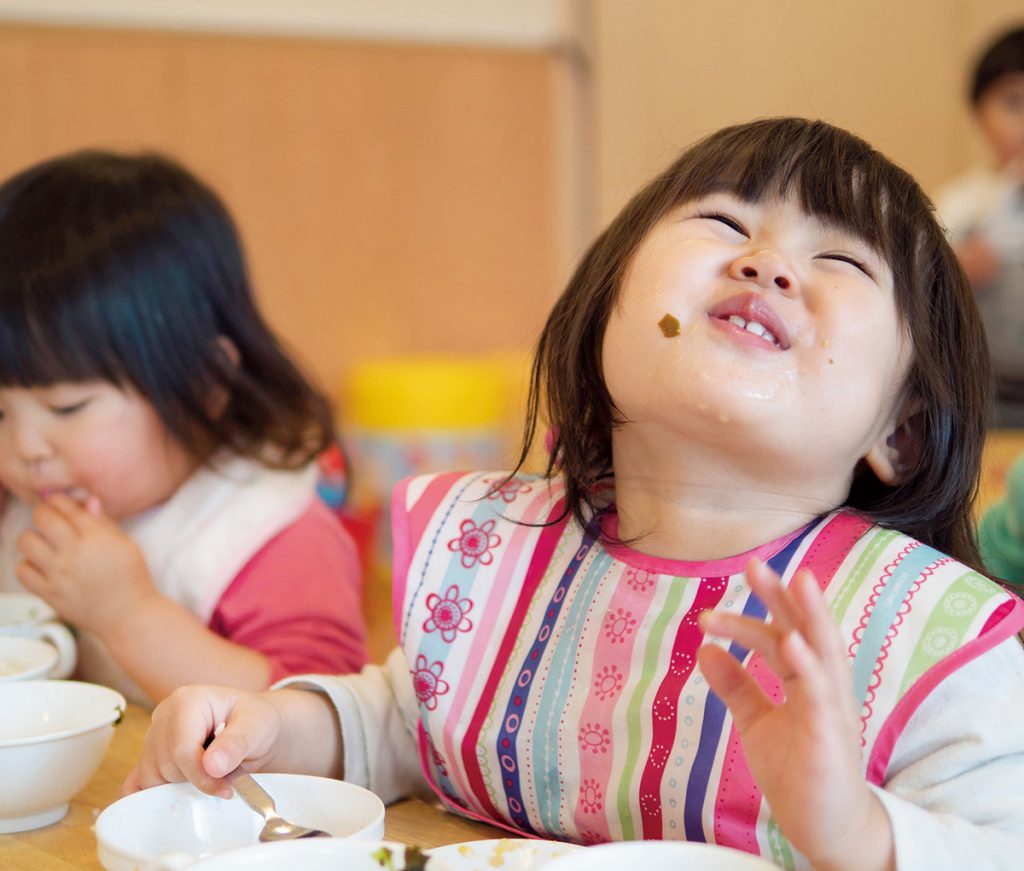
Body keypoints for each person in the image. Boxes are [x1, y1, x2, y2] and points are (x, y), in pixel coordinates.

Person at [126, 119, 1024, 870]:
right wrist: (265, 730)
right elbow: (406, 720)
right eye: (722, 221)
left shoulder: (936, 644)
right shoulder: (501, 554)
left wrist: (860, 835)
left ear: (899, 431)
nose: (768, 263)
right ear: (605, 315)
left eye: (842, 260)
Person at [0, 150, 368, 707]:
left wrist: (129, 615)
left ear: (205, 382)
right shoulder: (19, 496)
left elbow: (323, 715)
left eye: (68, 408)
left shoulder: (266, 531)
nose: (25, 448)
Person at [936, 24, 1024, 427]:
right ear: (979, 112)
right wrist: (959, 270)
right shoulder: (962, 201)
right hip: (984, 397)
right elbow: (927, 293)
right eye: (1013, 102)